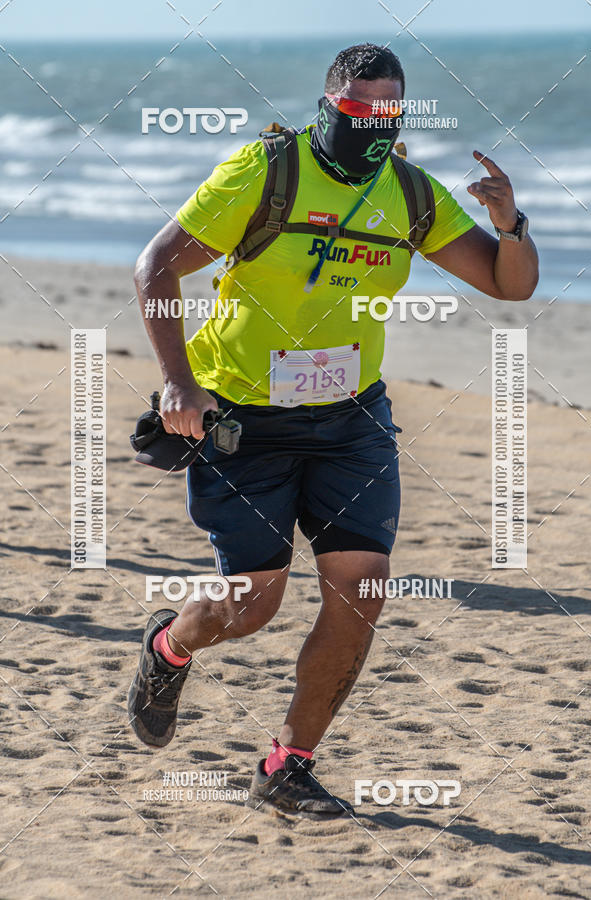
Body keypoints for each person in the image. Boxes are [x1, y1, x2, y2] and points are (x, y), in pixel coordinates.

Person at [128, 43, 538, 818]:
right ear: (328, 108)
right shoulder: (266, 173)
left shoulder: (410, 193)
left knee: (361, 592)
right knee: (250, 608)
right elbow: (155, 267)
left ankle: (285, 765)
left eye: (389, 116)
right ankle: (169, 646)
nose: (373, 130)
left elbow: (508, 284)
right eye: (358, 114)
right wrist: (180, 383)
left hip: (351, 420)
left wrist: (510, 222)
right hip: (243, 418)